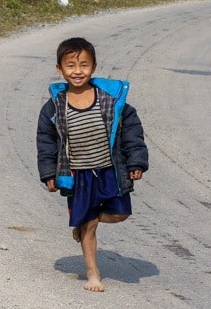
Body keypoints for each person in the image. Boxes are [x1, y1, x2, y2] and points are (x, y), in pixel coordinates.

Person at [36, 37, 148, 292]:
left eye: (84, 65)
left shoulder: (110, 99)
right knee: (89, 225)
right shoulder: (55, 105)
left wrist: (136, 160)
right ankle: (93, 273)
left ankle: (85, 219)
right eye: (71, 65)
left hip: (109, 169)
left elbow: (131, 129)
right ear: (59, 69)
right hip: (77, 173)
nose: (78, 71)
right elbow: (46, 141)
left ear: (94, 66)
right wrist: (47, 173)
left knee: (120, 214)